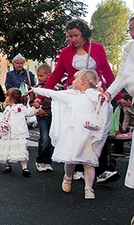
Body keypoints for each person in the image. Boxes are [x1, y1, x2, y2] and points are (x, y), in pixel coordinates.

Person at [38, 19, 123, 184]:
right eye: (70, 36)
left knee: (97, 130)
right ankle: (77, 168)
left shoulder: (97, 48)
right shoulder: (65, 52)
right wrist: (41, 97)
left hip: (96, 96)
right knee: (77, 131)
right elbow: (55, 75)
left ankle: (102, 169)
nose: (73, 39)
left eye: (76, 35)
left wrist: (117, 96)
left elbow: (107, 72)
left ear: (84, 34)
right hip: (75, 96)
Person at [33, 69, 111, 200]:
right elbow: (52, 94)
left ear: (82, 81)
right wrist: (35, 90)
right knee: (70, 159)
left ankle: (88, 188)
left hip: (89, 134)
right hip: (73, 133)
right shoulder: (72, 96)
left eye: (75, 79)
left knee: (89, 162)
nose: (72, 82)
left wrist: (103, 100)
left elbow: (105, 108)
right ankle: (68, 177)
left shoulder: (96, 96)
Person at [103, 16, 134, 190]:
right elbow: (122, 76)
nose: (132, 34)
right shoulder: (129, 48)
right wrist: (109, 93)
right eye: (130, 29)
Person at [0, 88, 37, 176]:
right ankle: (8, 165)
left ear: (12, 99)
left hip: (18, 133)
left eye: (7, 96)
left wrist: (36, 108)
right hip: (7, 133)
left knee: (20, 150)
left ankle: (24, 167)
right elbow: (3, 119)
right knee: (7, 149)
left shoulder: (21, 108)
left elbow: (29, 113)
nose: (5, 98)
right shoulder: (7, 109)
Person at [27, 64, 55, 172]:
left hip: (53, 115)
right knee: (44, 137)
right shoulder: (36, 89)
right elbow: (32, 102)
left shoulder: (55, 88)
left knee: (52, 138)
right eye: (38, 76)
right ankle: (40, 160)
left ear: (49, 75)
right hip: (42, 115)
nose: (39, 78)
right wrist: (38, 109)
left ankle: (48, 161)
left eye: (41, 75)